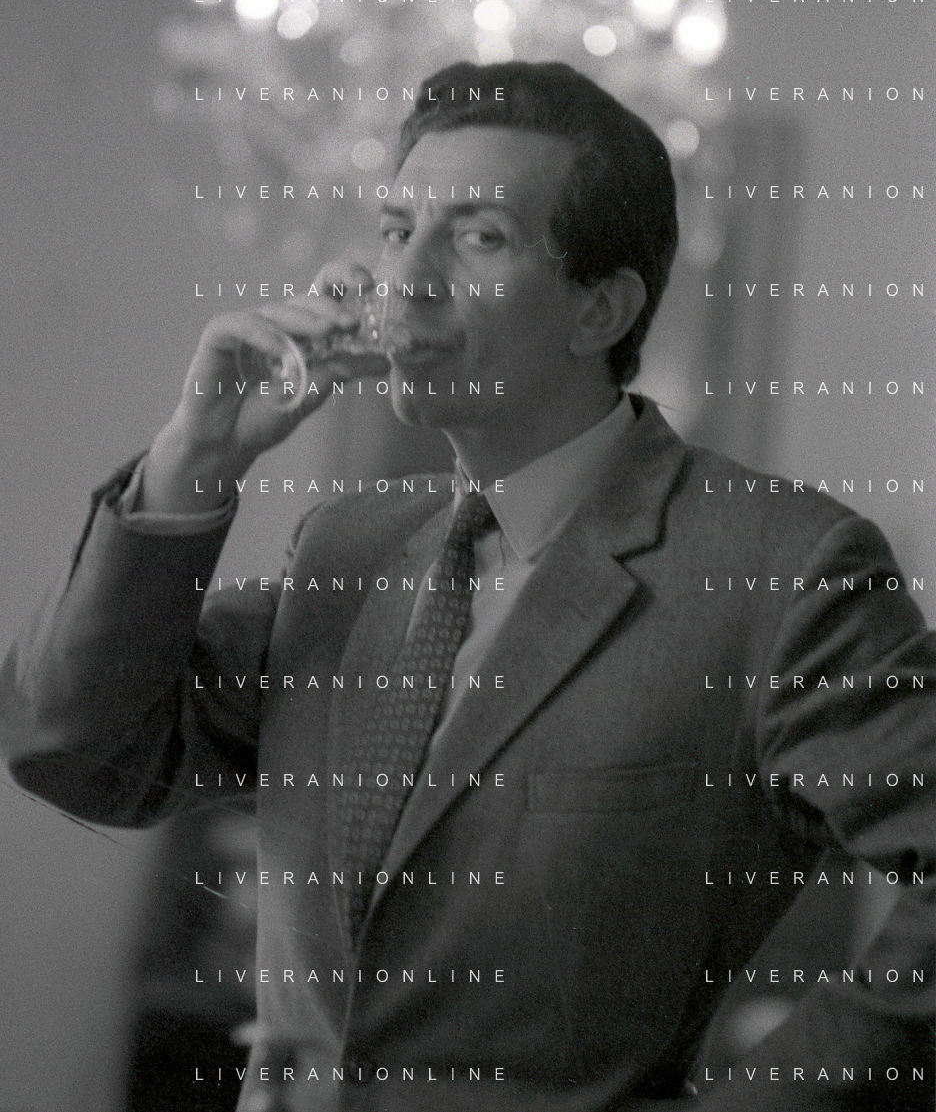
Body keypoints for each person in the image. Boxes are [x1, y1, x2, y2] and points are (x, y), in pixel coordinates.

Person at [1, 61, 933, 1111]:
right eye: (398, 230)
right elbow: (74, 753)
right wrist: (195, 457)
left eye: (479, 236)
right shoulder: (346, 546)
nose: (407, 278)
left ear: (601, 307)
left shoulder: (784, 568)